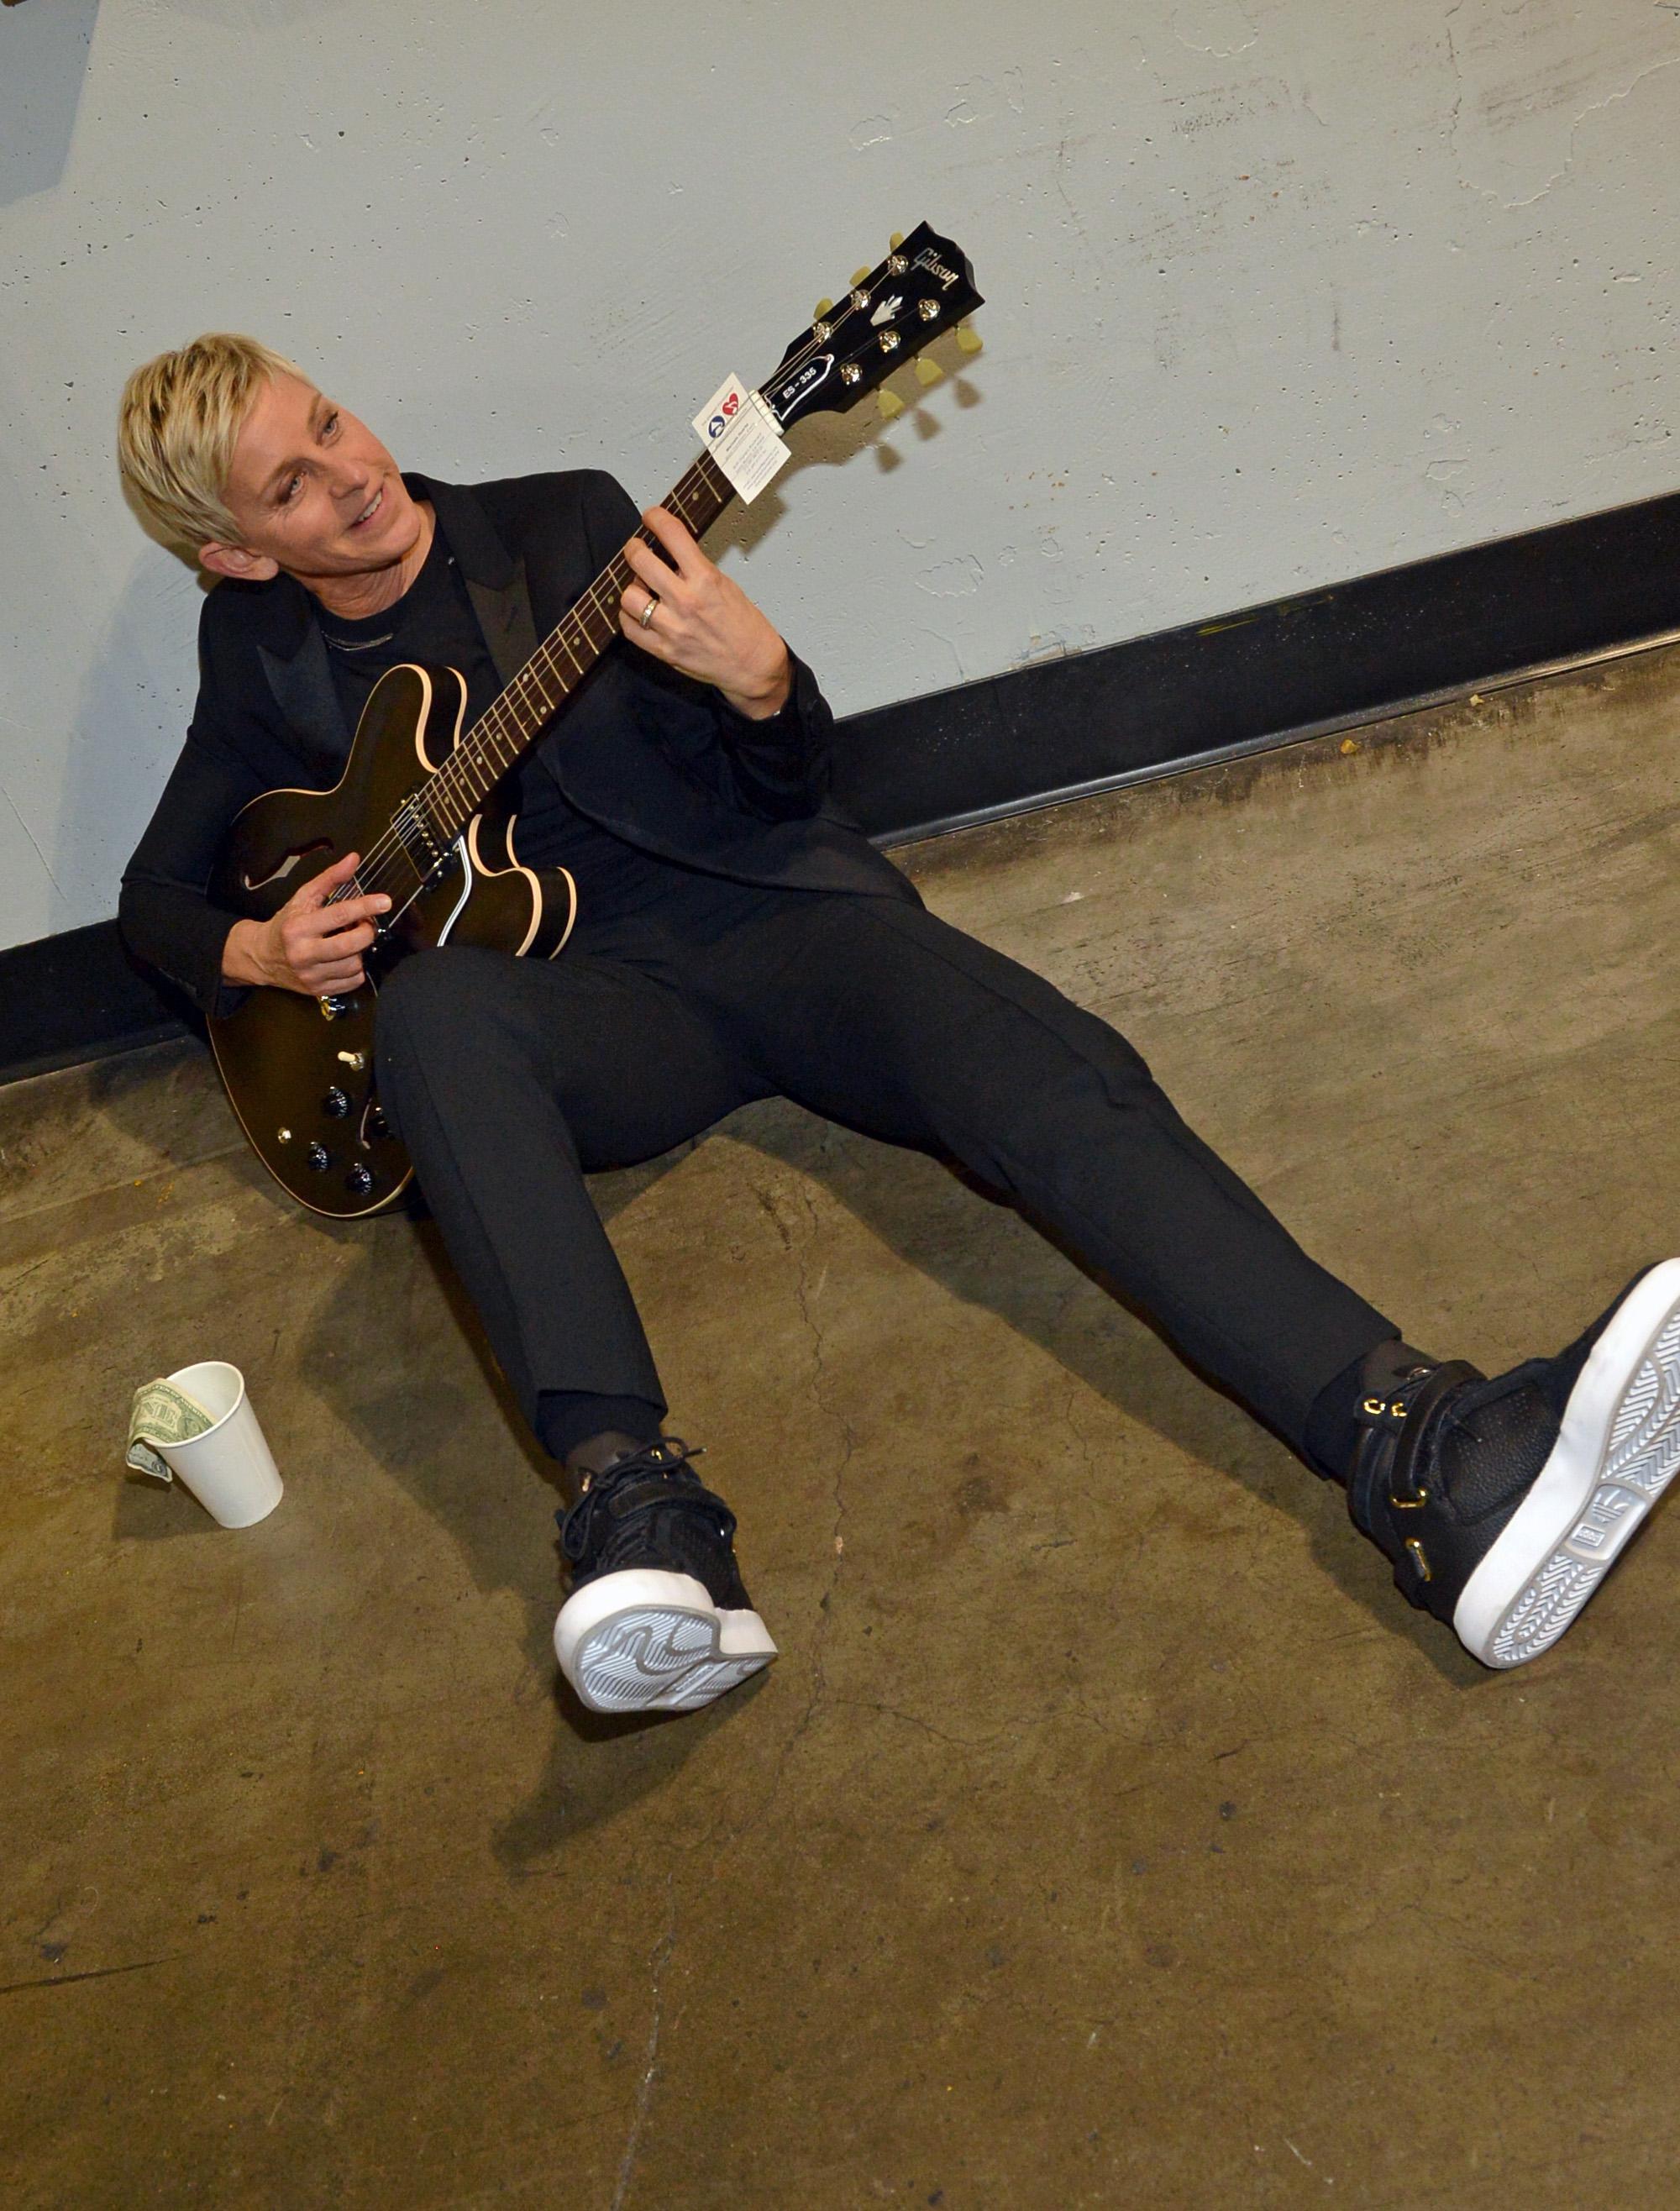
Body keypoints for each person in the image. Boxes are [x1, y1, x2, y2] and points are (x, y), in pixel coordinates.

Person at [115, 333, 1680, 1715]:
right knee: (439, 1017)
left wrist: (763, 685)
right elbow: (151, 899)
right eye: (292, 487)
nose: (350, 472)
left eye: (331, 423)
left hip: (757, 921)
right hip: (587, 1017)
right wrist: (253, 946)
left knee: (1031, 1063)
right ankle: (648, 1523)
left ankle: (1421, 1452)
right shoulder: (257, 655)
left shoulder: (560, 529)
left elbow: (791, 786)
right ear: (239, 557)